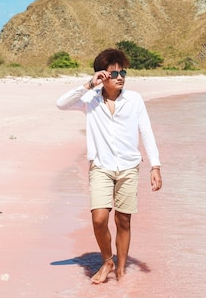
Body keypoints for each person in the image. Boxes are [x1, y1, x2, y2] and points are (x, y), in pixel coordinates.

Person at [56, 48, 162, 283]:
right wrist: (87, 85)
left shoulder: (134, 99)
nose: (121, 77)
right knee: (99, 219)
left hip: (128, 167)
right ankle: (107, 261)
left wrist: (155, 166)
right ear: (102, 76)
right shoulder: (89, 100)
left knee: (123, 220)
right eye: (114, 73)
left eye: (123, 72)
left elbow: (146, 131)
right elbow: (61, 104)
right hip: (101, 167)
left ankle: (121, 271)